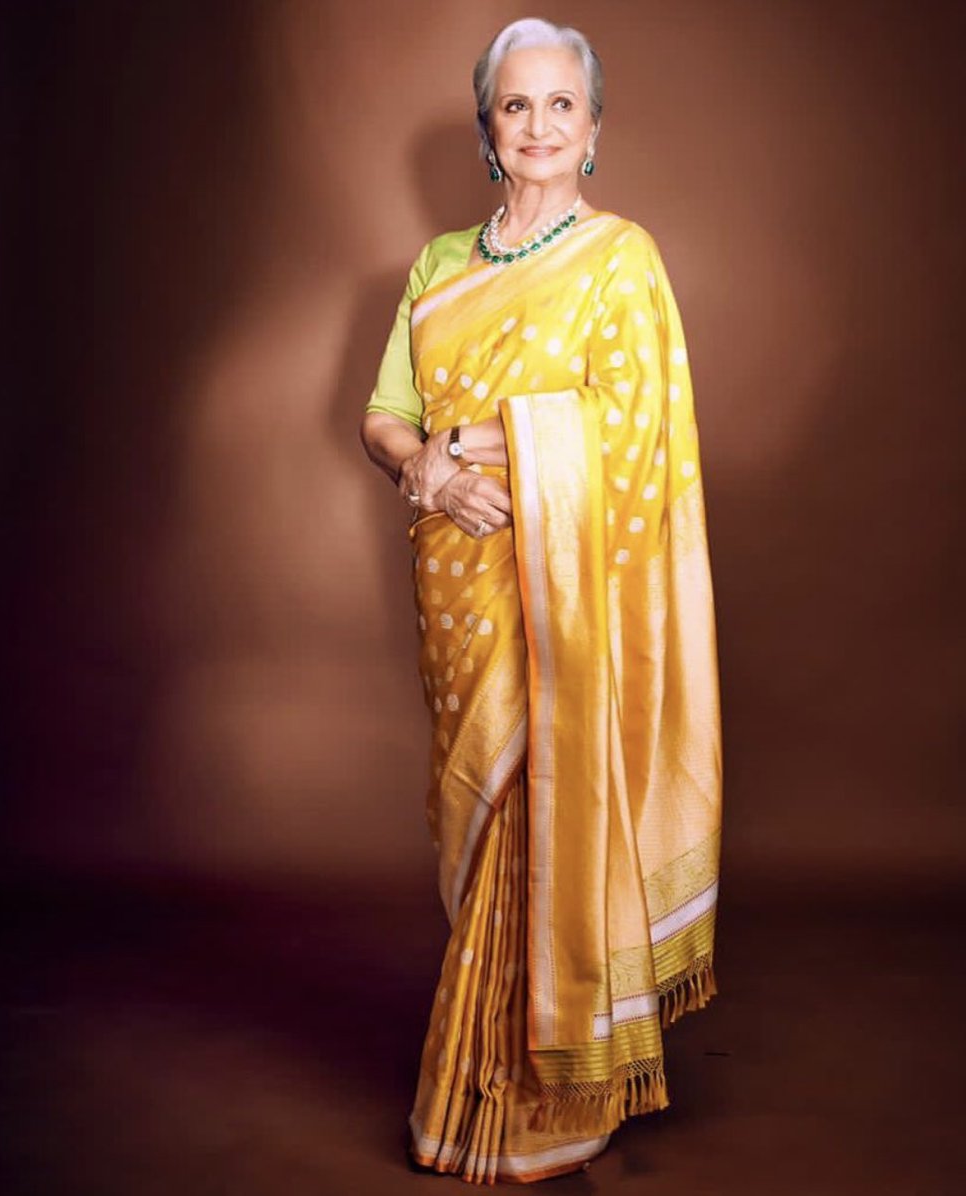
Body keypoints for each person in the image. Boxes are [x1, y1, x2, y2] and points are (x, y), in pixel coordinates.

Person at [360, 17, 723, 1185]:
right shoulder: (435, 267)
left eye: (561, 105)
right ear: (486, 128)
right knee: (481, 839)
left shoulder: (621, 260)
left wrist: (484, 440)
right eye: (516, 106)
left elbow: (633, 437)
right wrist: (424, 465)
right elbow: (384, 414)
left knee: (546, 812)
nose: (539, 125)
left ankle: (538, 1094)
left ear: (596, 129)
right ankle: (481, 1082)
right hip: (458, 593)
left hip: (562, 606)